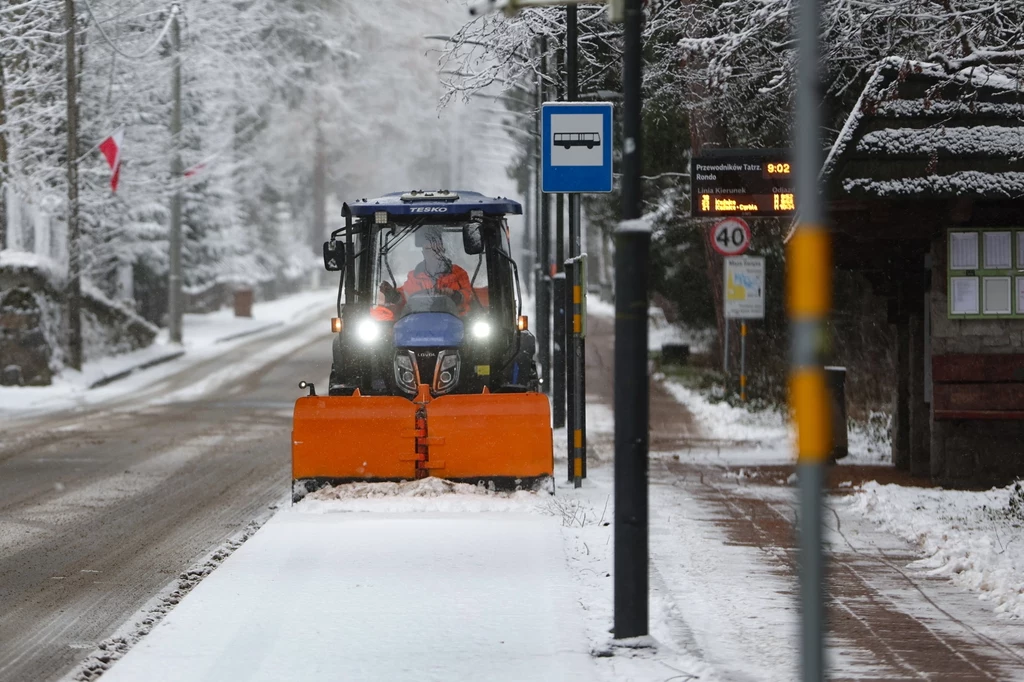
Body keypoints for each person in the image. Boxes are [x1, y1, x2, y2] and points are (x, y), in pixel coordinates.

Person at [379, 228, 473, 316]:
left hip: (456, 320)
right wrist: (395, 296)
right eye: (428, 249)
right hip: (419, 321)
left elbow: (469, 294)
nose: (433, 253)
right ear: (423, 253)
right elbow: (406, 299)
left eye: (437, 249)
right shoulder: (414, 276)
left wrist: (455, 295)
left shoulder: (458, 273)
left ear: (443, 251)